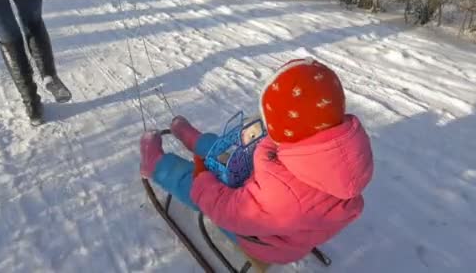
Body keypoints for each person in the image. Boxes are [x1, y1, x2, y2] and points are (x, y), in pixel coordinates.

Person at [139, 58, 374, 270]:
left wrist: (202, 177)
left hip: (262, 239)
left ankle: (157, 165)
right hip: (284, 215)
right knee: (233, 151)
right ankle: (198, 141)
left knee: (200, 186)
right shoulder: (340, 150)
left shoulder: (282, 195)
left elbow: (227, 210)